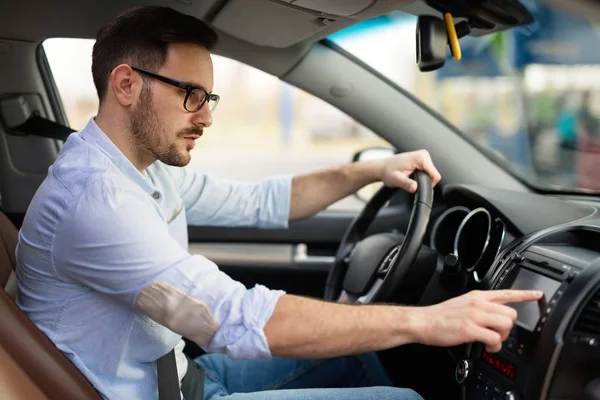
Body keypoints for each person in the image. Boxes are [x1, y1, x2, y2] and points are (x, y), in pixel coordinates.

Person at [15, 6, 543, 400]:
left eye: (210, 99)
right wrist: (427, 321)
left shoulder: (140, 170)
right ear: (127, 84)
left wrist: (370, 169)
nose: (207, 117)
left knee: (366, 356)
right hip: (164, 394)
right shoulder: (94, 201)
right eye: (191, 95)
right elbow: (236, 318)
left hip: (183, 373)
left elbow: (260, 201)